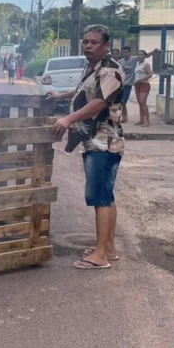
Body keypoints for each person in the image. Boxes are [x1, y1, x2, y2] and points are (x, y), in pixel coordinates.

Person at [47, 25, 124, 270]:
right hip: (95, 139)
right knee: (107, 196)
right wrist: (60, 96)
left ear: (106, 46)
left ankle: (100, 256)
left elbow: (99, 102)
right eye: (86, 42)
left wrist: (68, 119)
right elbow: (84, 91)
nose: (88, 46)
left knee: (100, 198)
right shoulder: (94, 68)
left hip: (104, 141)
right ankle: (108, 248)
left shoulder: (110, 70)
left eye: (94, 42)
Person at [133, 50, 154, 127]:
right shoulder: (137, 63)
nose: (139, 56)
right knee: (140, 103)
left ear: (144, 56)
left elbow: (150, 74)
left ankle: (147, 121)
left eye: (141, 54)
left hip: (144, 84)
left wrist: (141, 79)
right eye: (138, 54)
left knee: (143, 102)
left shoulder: (146, 64)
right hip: (137, 84)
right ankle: (141, 120)